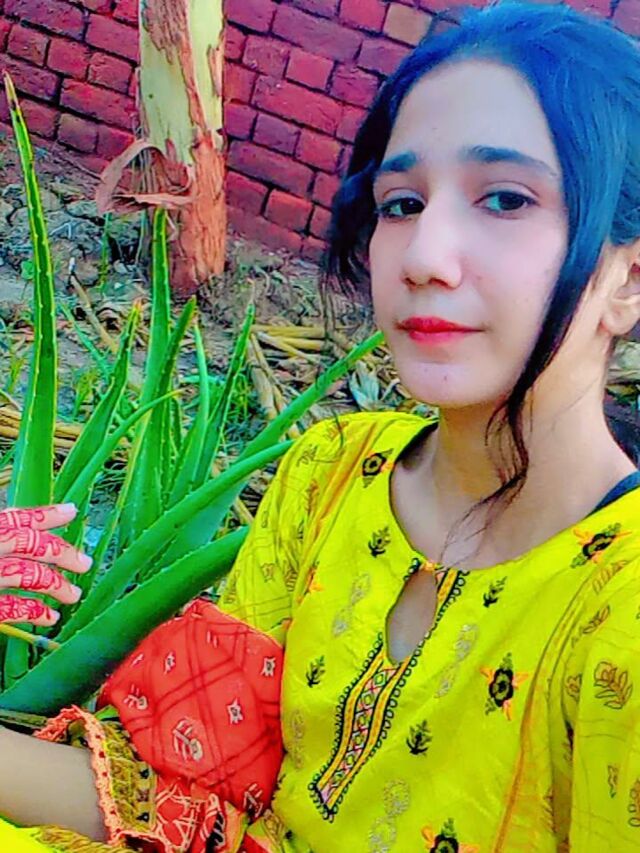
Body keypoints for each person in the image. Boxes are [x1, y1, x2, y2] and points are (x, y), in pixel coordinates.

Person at [2, 0, 640, 849]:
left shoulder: (619, 610)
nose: (424, 256)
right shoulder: (333, 471)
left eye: (505, 198)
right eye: (401, 203)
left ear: (628, 279)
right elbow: (185, 802)